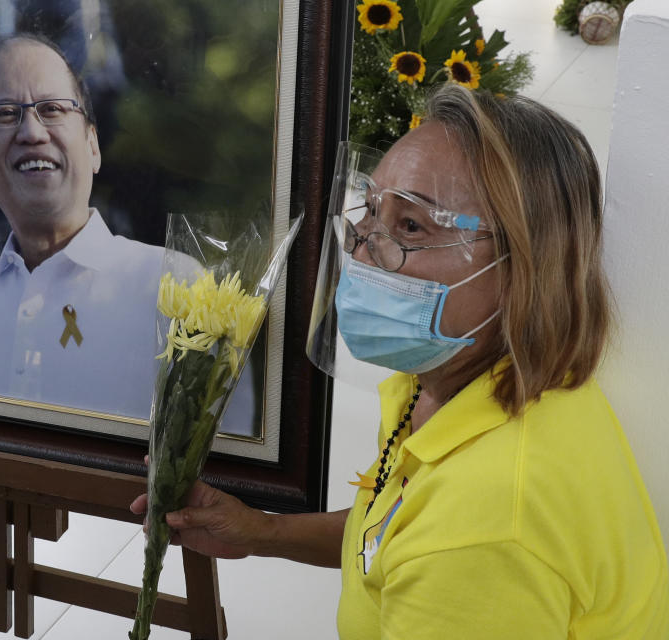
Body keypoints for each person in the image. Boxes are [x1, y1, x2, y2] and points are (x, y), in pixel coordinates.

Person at [131, 84, 669, 637]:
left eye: (410, 226)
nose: (363, 249)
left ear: (523, 268)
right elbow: (394, 532)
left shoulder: (485, 526)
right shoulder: (467, 386)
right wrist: (262, 532)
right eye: (369, 211)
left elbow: (446, 540)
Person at [0, 34, 256, 434]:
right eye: (5, 114)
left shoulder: (177, 287)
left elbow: (222, 472)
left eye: (53, 109)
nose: (32, 132)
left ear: (92, 145)